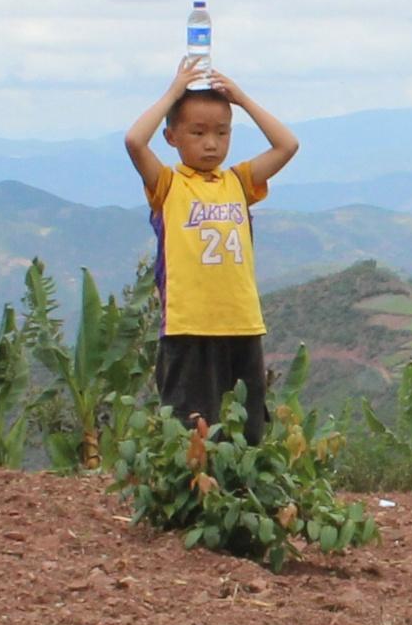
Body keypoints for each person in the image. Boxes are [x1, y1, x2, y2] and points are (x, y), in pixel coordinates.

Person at [124, 60, 298, 440]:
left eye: (222, 132)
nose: (211, 143)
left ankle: (238, 496)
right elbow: (135, 141)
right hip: (189, 327)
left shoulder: (238, 181)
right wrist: (173, 92)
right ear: (172, 137)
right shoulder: (168, 186)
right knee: (192, 429)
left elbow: (287, 145)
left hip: (241, 323)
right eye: (198, 132)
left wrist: (241, 98)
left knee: (247, 431)